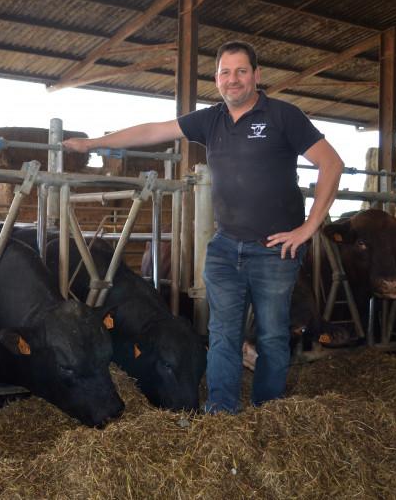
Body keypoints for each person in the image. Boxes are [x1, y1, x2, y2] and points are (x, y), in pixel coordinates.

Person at [63, 40, 343, 413]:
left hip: (275, 250)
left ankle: (268, 411)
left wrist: (309, 227)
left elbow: (331, 163)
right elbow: (153, 131)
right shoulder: (210, 119)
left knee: (273, 335)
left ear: (256, 75)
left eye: (241, 71)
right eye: (225, 72)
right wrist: (93, 144)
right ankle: (222, 411)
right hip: (225, 248)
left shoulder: (283, 116)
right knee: (222, 333)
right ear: (217, 78)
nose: (233, 79)